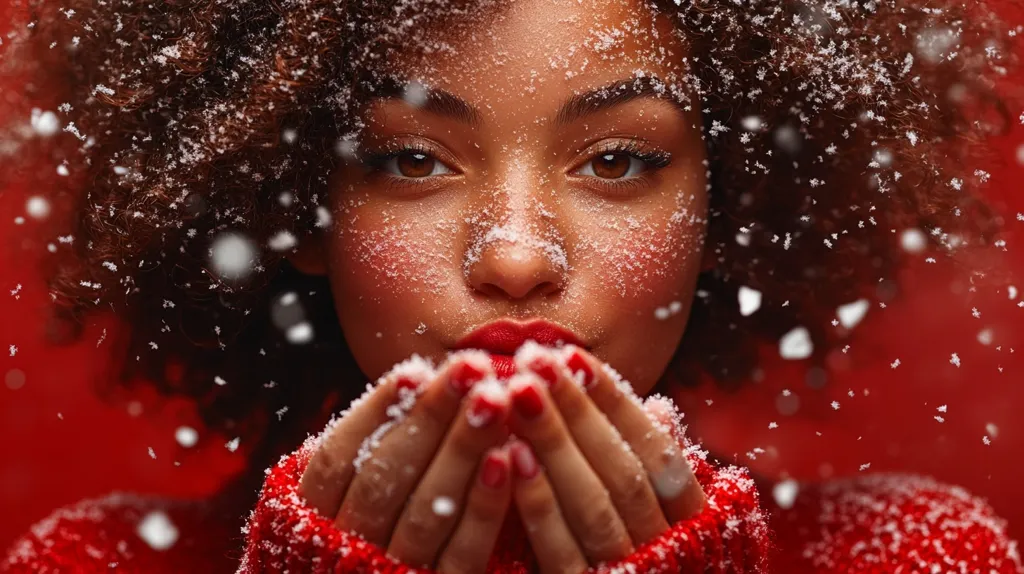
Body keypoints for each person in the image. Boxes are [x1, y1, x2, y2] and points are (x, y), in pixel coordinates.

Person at [1, 0, 1020, 572]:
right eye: (410, 161)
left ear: (726, 205)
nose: (519, 257)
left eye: (619, 160)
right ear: (297, 206)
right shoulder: (92, 565)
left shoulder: (916, 557)